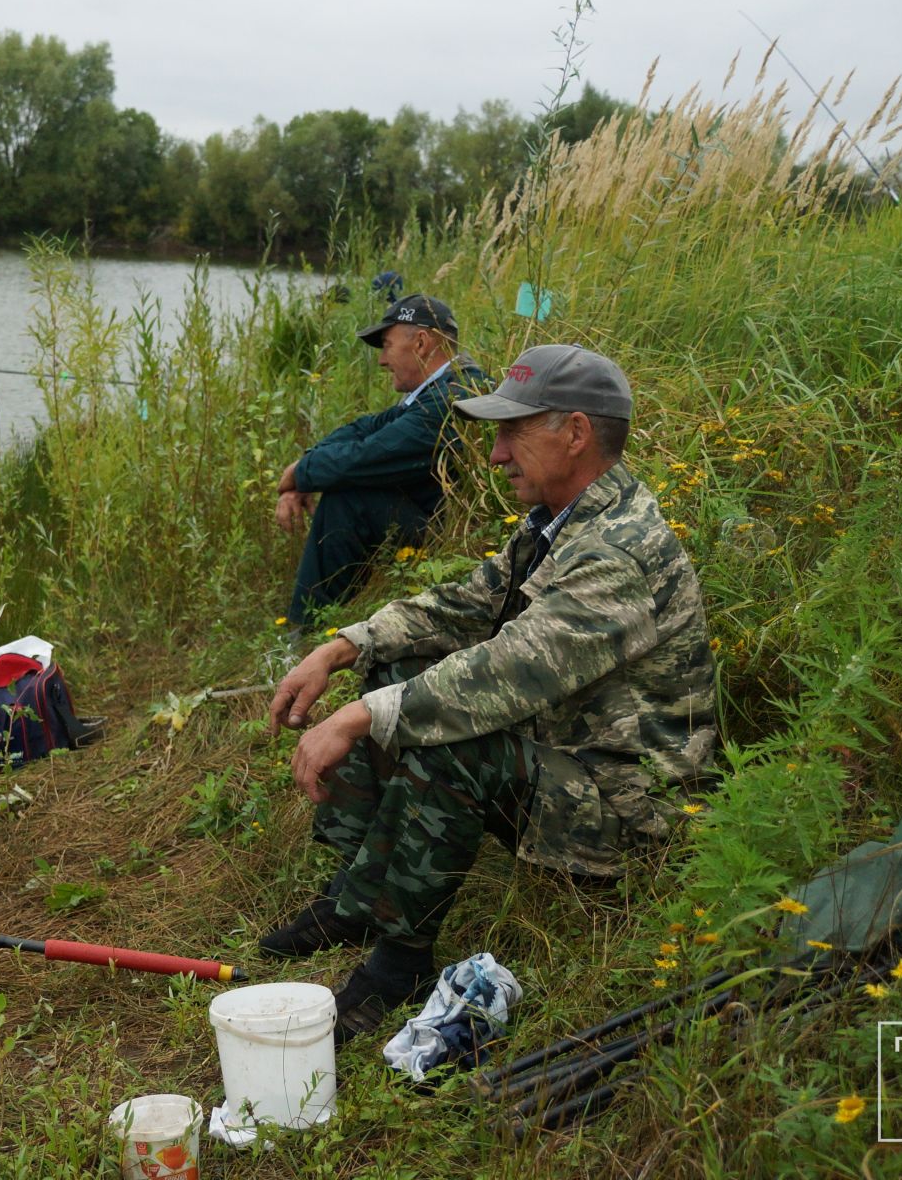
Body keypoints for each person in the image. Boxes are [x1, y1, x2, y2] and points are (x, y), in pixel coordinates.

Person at [263, 344, 719, 1042]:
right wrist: (345, 645)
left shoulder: (616, 552)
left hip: (626, 804)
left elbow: (502, 676)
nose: (496, 454)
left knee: (454, 738)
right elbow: (467, 604)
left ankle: (399, 964)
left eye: (513, 432)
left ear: (574, 433)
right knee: (394, 668)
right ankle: (356, 898)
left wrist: (356, 718)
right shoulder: (564, 521)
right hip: (569, 751)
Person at [276, 294, 489, 628]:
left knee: (348, 496)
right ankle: (328, 626)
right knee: (348, 484)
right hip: (432, 522)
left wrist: (301, 474)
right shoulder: (442, 389)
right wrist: (305, 471)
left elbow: (366, 457)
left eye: (387, 346)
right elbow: (364, 428)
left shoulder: (453, 398)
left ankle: (308, 633)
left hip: (452, 540)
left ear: (421, 343)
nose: (382, 361)